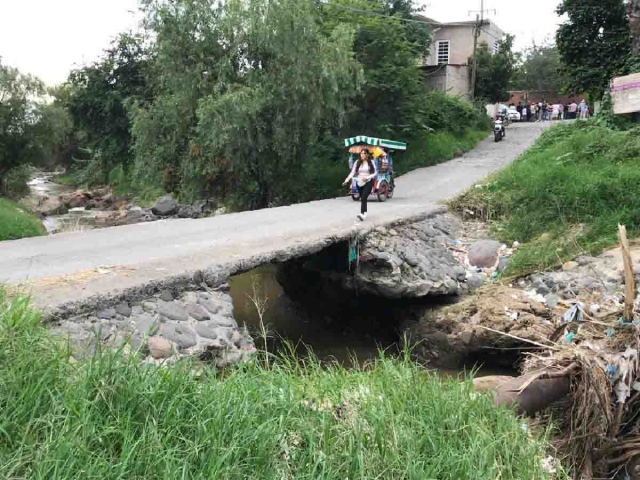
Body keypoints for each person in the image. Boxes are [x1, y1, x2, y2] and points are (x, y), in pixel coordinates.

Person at [343, 148, 378, 222]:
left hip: (368, 181)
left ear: (367, 155)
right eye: (361, 153)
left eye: (364, 153)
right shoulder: (357, 162)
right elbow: (352, 172)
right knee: (363, 198)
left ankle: (362, 214)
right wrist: (347, 180)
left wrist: (367, 177)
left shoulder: (371, 162)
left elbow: (375, 173)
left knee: (364, 196)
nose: (362, 155)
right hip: (359, 182)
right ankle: (364, 213)